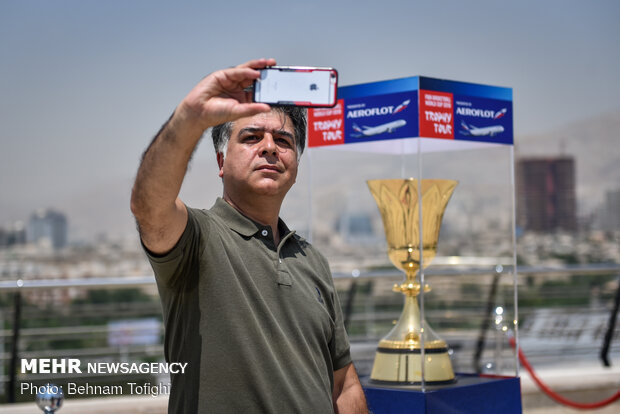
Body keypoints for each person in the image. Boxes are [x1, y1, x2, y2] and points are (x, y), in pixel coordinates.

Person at [130, 58, 368, 413]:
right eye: (252, 137)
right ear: (221, 162)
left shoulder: (311, 259)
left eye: (284, 140)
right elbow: (150, 206)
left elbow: (343, 383)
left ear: (296, 164)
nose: (270, 147)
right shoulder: (198, 240)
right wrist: (190, 116)